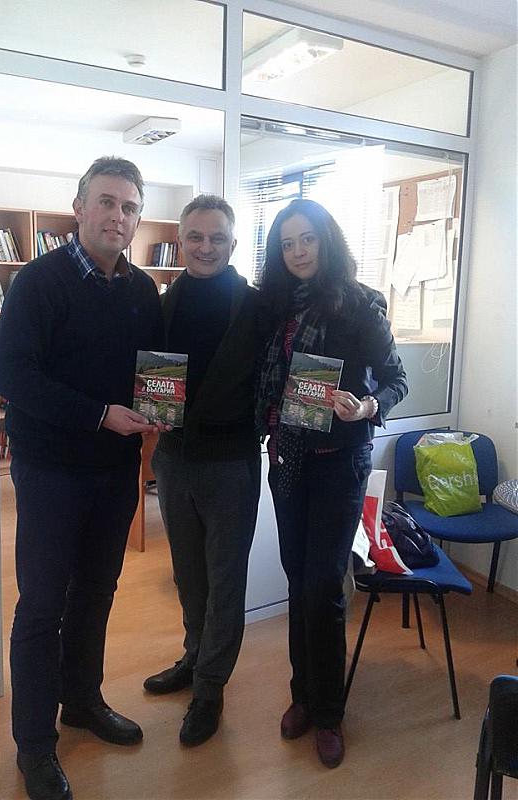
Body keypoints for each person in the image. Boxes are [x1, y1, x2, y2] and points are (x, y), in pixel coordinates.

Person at [0, 157, 165, 800]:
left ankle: (82, 701)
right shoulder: (38, 282)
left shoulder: (142, 291)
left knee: (96, 591)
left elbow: (153, 373)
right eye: (107, 202)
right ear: (80, 207)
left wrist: (159, 409)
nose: (118, 216)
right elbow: (12, 376)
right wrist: (99, 414)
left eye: (129, 206)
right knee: (42, 605)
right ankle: (34, 745)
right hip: (51, 472)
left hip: (116, 471)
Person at [255, 198, 408, 768]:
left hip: (339, 461)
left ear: (327, 240)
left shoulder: (361, 304)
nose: (297, 252)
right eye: (287, 243)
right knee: (299, 580)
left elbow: (396, 380)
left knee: (323, 584)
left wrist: (366, 405)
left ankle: (328, 712)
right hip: (288, 458)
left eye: (307, 239)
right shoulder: (274, 306)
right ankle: (301, 695)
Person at [143, 195, 262, 746]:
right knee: (187, 574)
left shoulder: (257, 307)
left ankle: (211, 687)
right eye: (195, 236)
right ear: (180, 240)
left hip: (231, 463)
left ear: (233, 243)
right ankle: (194, 658)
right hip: (173, 458)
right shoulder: (161, 304)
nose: (206, 247)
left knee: (225, 580)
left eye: (217, 238)